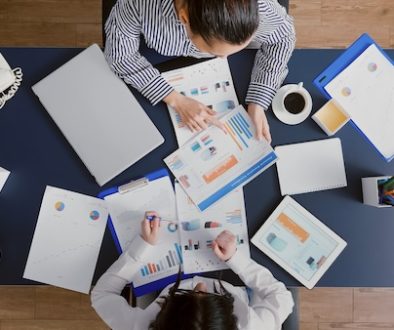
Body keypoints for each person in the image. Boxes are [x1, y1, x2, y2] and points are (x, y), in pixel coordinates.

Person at [104, 0, 296, 143]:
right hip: (155, 57)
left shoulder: (259, 6)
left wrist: (258, 101)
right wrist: (175, 99)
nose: (223, 60)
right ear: (184, 18)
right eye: (213, 52)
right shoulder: (140, 5)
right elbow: (120, 56)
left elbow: (283, 37)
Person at [91, 211, 294, 330]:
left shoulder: (144, 326)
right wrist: (236, 259)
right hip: (238, 283)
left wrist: (142, 246)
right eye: (210, 295)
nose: (200, 284)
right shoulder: (252, 326)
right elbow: (281, 297)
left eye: (187, 293)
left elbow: (102, 295)